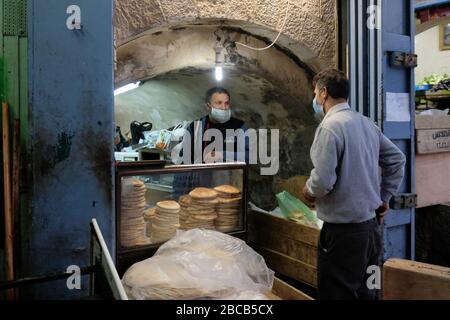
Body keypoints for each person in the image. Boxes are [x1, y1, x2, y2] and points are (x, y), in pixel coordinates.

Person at [301, 69, 406, 300]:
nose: (315, 100)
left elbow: (322, 182)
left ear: (324, 93)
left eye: (315, 93)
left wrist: (308, 191)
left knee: (337, 294)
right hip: (371, 232)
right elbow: (398, 160)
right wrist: (383, 197)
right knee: (367, 293)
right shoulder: (366, 124)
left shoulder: (330, 127)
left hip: (342, 236)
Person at [172, 87, 249, 198]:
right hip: (199, 192)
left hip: (229, 193)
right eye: (219, 103)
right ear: (208, 106)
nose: (224, 107)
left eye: (226, 103)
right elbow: (183, 163)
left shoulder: (239, 127)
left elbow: (248, 156)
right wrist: (177, 195)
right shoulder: (195, 127)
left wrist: (221, 154)